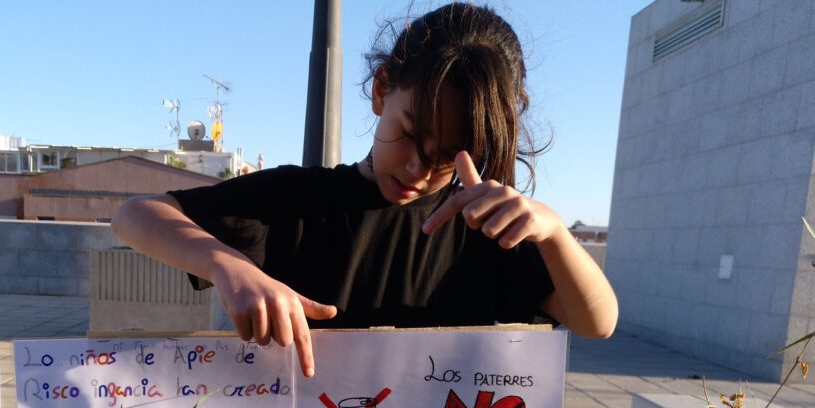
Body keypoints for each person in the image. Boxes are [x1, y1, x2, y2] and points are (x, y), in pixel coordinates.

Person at [112, 2, 617, 378]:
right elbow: (135, 215)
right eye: (411, 132)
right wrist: (231, 267)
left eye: (448, 154)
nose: (419, 166)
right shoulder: (296, 200)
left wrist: (553, 236)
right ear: (381, 90)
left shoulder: (485, 230)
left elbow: (598, 323)